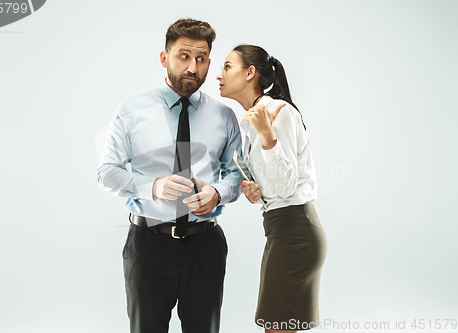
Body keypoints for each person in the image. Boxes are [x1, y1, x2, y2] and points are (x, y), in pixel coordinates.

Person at [97, 18, 242, 333]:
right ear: (165, 59)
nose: (193, 66)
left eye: (201, 58)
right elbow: (107, 173)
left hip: (206, 245)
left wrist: (217, 193)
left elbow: (236, 175)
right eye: (184, 56)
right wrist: (153, 186)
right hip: (148, 246)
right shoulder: (131, 111)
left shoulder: (225, 116)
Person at [216, 45, 327, 332]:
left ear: (250, 72)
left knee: (277, 327)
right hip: (280, 229)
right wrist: (256, 192)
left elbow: (288, 186)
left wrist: (268, 138)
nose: (219, 75)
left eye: (227, 66)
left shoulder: (280, 112)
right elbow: (277, 186)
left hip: (295, 232)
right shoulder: (253, 119)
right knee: (276, 325)